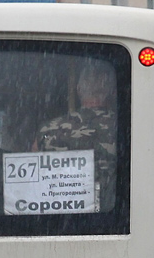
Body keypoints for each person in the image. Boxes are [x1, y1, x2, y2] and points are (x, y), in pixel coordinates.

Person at [36, 62, 118, 208]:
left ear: (79, 90)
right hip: (112, 215)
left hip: (59, 213)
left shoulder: (48, 129)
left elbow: (32, 179)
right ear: (112, 92)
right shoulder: (125, 128)